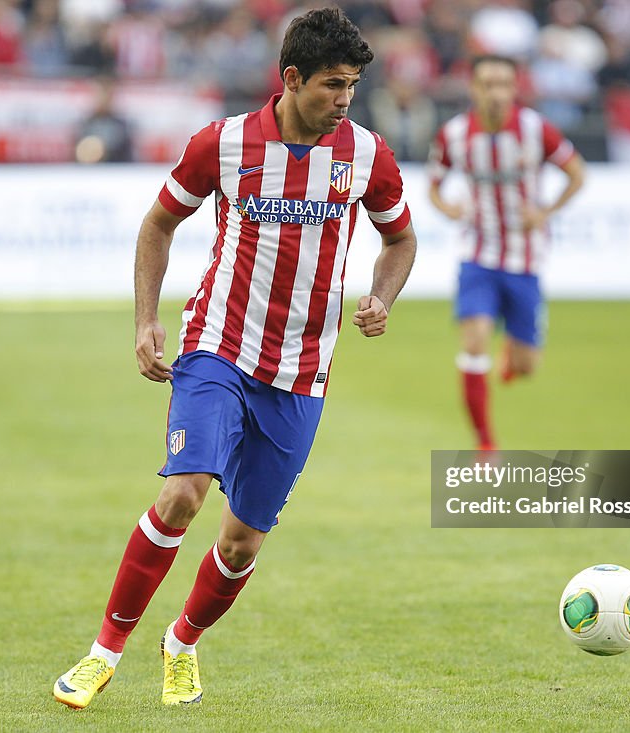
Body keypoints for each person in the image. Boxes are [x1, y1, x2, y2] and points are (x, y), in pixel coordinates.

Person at [53, 7, 416, 710]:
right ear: (290, 78)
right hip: (217, 345)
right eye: (332, 84)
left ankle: (182, 642)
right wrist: (144, 320)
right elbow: (160, 221)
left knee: (244, 541)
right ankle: (102, 653)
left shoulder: (366, 155)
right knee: (184, 491)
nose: (344, 99)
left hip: (302, 372)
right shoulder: (221, 145)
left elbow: (399, 240)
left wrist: (382, 296)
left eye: (352, 86)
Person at [428, 55, 584, 451]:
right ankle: (485, 444)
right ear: (474, 88)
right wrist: (450, 210)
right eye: (487, 83)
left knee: (526, 367)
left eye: (503, 84)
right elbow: (434, 185)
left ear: (515, 89)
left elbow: (577, 174)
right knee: (475, 340)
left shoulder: (536, 130)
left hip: (524, 259)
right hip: (477, 255)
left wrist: (545, 211)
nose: (495, 92)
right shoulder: (455, 134)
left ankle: (512, 356)